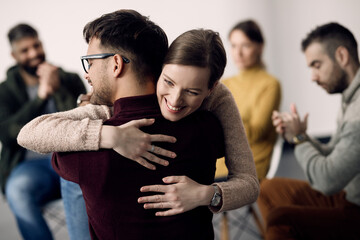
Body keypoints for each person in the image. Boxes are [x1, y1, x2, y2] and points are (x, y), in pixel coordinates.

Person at [18, 9, 259, 236]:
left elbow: (249, 183)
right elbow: (29, 133)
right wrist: (111, 135)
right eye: (169, 82)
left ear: (116, 64)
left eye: (89, 62)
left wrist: (207, 194)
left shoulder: (217, 98)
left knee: (71, 177)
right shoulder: (209, 127)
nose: (87, 74)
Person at [258, 22, 360, 239]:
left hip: (355, 210)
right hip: (348, 194)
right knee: (268, 188)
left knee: (280, 219)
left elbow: (327, 180)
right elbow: (333, 153)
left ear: (342, 56)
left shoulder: (358, 111)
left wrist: (298, 137)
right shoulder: (351, 98)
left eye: (317, 65)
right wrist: (300, 136)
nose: (313, 76)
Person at [0, 24, 86, 240]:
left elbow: (85, 121)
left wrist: (57, 89)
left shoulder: (69, 79)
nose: (34, 53)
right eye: (25, 50)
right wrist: (40, 96)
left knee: (88, 180)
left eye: (36, 45)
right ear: (14, 55)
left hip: (70, 159)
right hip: (32, 167)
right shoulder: (4, 91)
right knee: (17, 190)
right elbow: (9, 135)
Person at [222, 20, 281, 181]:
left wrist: (221, 118)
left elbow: (255, 133)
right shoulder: (224, 84)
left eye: (245, 45)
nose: (238, 53)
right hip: (218, 164)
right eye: (233, 46)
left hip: (250, 165)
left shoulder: (269, 84)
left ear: (260, 47)